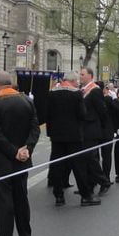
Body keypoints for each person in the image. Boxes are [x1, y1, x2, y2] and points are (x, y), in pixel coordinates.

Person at [0, 71, 40, 236]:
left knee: (3, 204)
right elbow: (35, 128)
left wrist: (13, 152)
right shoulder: (27, 101)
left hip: (2, 161)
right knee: (21, 199)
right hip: (22, 159)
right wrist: (27, 149)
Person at [46, 71, 99, 207]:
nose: (78, 83)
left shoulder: (52, 93)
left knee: (58, 165)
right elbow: (82, 114)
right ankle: (85, 195)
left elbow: (48, 114)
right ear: (73, 81)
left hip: (56, 135)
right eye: (77, 81)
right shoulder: (76, 94)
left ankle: (59, 196)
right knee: (78, 166)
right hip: (73, 135)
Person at [79, 67, 112, 194]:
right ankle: (89, 184)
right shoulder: (82, 90)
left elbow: (102, 111)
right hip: (84, 129)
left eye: (82, 74)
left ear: (90, 76)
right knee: (87, 158)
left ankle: (104, 181)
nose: (80, 76)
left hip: (92, 128)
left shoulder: (94, 90)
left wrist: (102, 127)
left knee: (90, 157)